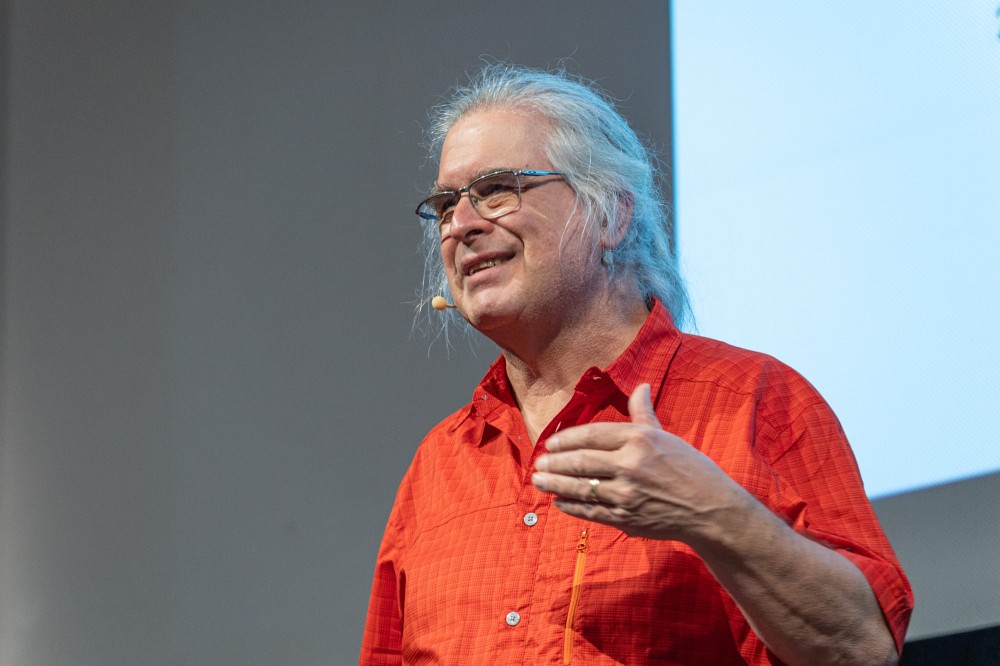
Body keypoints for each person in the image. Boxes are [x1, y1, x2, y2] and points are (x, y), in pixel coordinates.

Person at [360, 65, 913, 665]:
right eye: (445, 204)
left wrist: (714, 516)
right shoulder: (440, 464)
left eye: (497, 188)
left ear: (609, 215)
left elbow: (861, 651)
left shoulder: (755, 401)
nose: (462, 224)